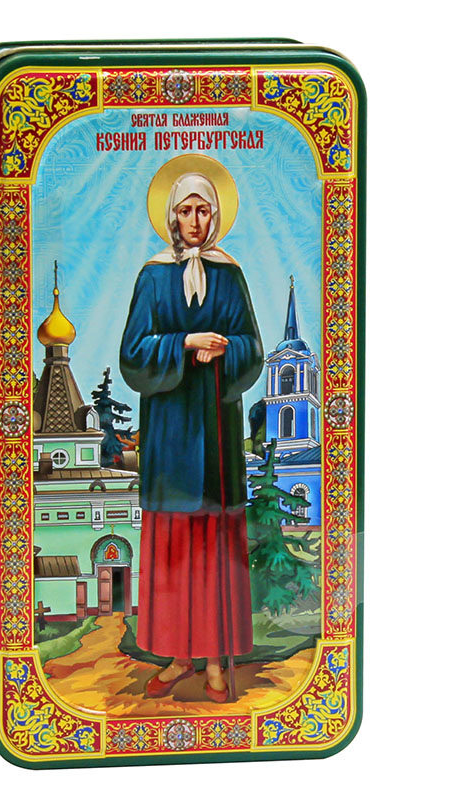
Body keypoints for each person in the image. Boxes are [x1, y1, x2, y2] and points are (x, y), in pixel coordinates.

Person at [120, 168, 263, 702]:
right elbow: (133, 353)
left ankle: (215, 663)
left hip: (217, 431)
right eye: (186, 210)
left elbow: (253, 346)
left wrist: (226, 349)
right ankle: (179, 656)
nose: (195, 220)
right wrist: (184, 343)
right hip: (171, 435)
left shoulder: (230, 274)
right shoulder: (153, 276)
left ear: (216, 214)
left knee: (214, 547)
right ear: (171, 216)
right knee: (177, 546)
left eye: (204, 210)